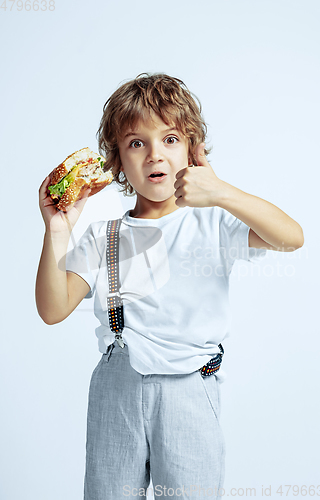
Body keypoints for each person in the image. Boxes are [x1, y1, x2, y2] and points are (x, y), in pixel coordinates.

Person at [36, 73, 304, 499]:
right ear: (117, 161)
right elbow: (52, 310)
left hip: (190, 389)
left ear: (192, 149)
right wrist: (57, 230)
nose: (154, 154)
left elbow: (291, 237)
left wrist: (221, 192)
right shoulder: (103, 235)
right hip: (117, 386)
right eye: (136, 143)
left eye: (171, 139)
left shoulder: (213, 222)